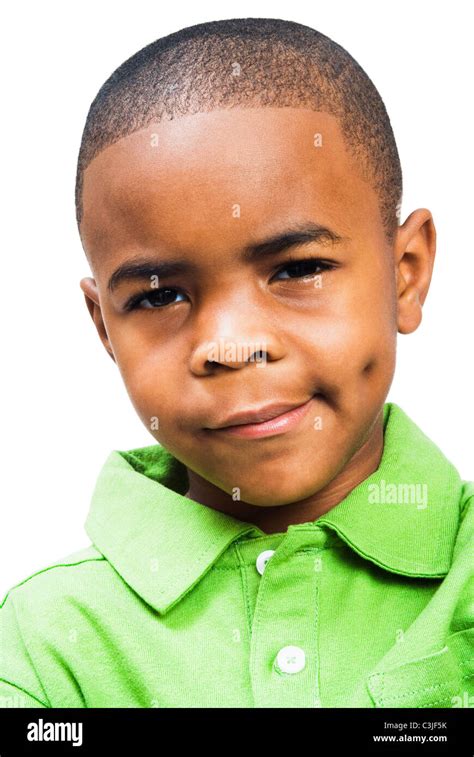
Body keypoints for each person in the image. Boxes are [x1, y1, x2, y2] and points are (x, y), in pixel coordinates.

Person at [1, 17, 472, 709]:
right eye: (160, 295)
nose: (229, 345)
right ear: (105, 326)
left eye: (298, 268)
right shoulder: (43, 644)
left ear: (406, 274)